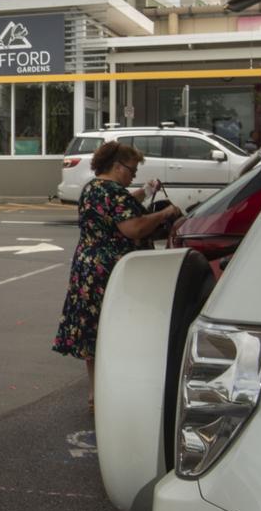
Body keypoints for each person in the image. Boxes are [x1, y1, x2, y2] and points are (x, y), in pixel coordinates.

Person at [52, 140, 181, 410]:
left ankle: (95, 393)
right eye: (132, 170)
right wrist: (166, 213)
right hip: (110, 270)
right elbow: (133, 227)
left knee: (94, 331)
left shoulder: (94, 188)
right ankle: (110, 396)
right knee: (113, 330)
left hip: (87, 266)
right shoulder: (113, 192)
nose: (133, 174)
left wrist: (144, 192)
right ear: (117, 166)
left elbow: (117, 207)